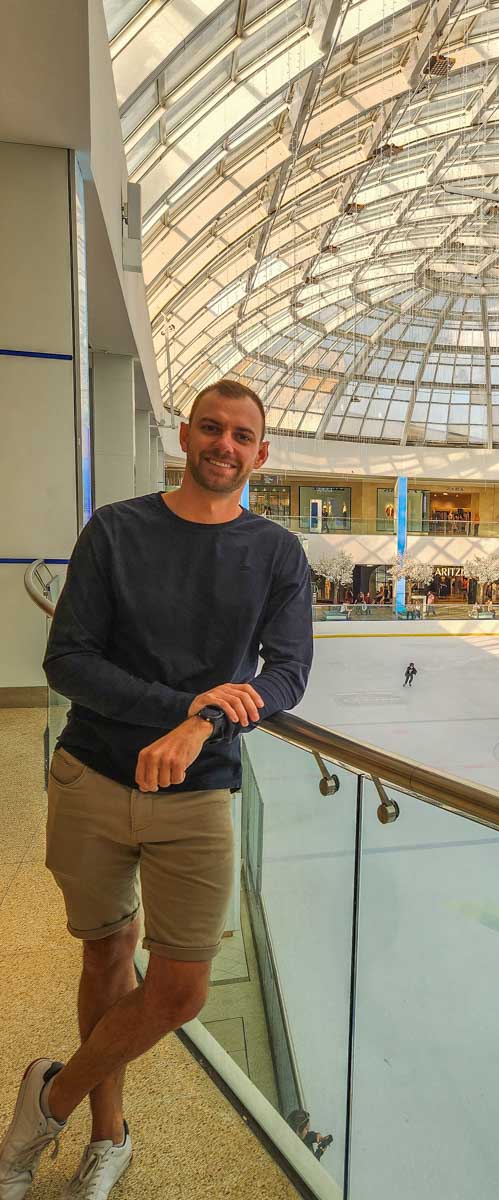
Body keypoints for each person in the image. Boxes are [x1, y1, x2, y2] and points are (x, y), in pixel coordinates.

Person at [0, 379, 313, 1200]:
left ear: (261, 452)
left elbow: (287, 672)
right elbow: (67, 660)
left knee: (179, 988)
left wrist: (201, 728)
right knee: (104, 953)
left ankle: (48, 1100)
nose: (225, 445)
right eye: (212, 428)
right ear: (186, 434)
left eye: (242, 435)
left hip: (200, 792)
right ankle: (109, 1136)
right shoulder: (117, 529)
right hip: (93, 776)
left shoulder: (277, 552)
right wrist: (188, 706)